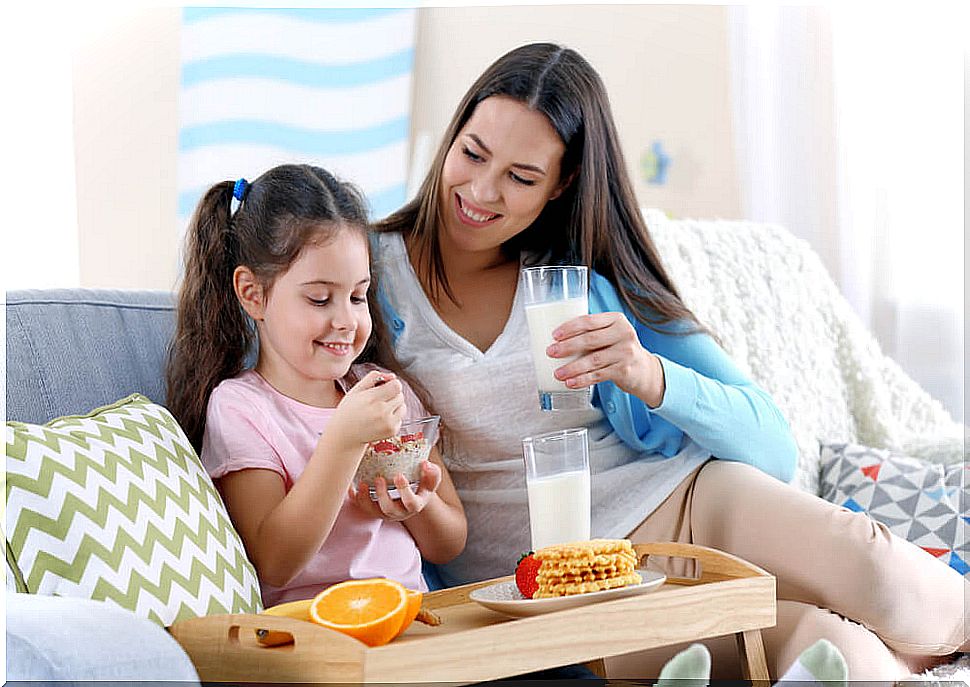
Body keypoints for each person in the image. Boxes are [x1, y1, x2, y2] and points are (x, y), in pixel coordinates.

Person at [372, 43, 967, 680]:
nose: (481, 191)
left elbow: (772, 446)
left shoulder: (584, 275)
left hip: (686, 501)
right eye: (472, 153)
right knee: (838, 654)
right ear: (455, 132)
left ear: (561, 184)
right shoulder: (368, 274)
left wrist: (649, 376)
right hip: (551, 592)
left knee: (879, 574)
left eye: (521, 177)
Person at [166, 164, 466, 607]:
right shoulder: (241, 408)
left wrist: (419, 509)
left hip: (409, 619)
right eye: (320, 299)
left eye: (358, 296)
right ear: (253, 294)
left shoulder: (384, 392)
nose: (345, 320)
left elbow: (449, 544)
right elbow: (274, 560)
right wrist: (343, 443)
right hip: (316, 634)